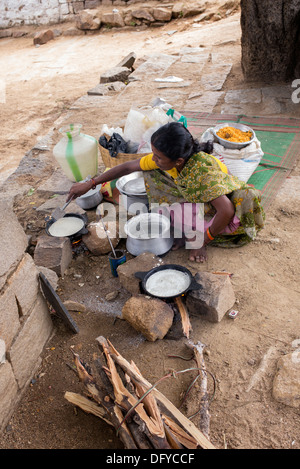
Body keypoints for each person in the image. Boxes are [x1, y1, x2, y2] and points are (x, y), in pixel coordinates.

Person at [67, 122, 265, 262]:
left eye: (158, 156)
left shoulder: (201, 172)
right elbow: (128, 167)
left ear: (178, 160)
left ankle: (199, 234)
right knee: (150, 172)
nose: (154, 158)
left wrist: (202, 240)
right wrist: (91, 183)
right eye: (154, 153)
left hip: (220, 204)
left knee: (192, 220)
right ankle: (185, 228)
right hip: (195, 191)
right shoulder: (170, 161)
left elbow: (227, 210)